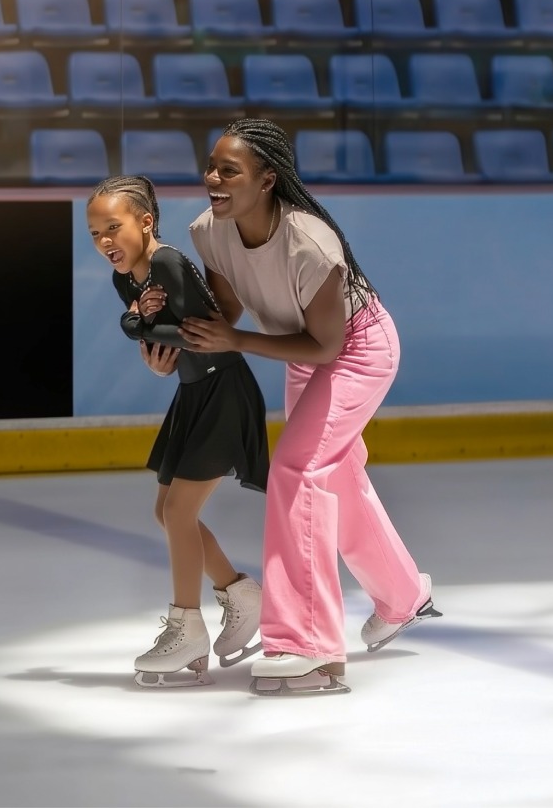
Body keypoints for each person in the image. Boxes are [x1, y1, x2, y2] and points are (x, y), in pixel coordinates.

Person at [142, 118, 441, 696]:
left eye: (230, 171)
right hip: (302, 354)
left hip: (358, 349)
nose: (213, 179)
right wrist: (171, 349)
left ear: (268, 180)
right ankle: (405, 595)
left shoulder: (309, 241)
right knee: (337, 477)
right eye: (211, 167)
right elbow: (222, 316)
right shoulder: (211, 231)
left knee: (298, 471)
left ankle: (308, 646)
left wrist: (240, 343)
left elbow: (328, 344)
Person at [86, 175, 269, 688]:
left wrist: (135, 327)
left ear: (145, 223)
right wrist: (154, 354)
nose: (105, 242)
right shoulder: (128, 279)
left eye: (114, 228)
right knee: (165, 510)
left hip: (224, 390)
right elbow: (165, 347)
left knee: (179, 511)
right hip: (193, 393)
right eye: (95, 234)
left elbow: (197, 334)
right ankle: (240, 593)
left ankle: (187, 625)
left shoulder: (166, 263)